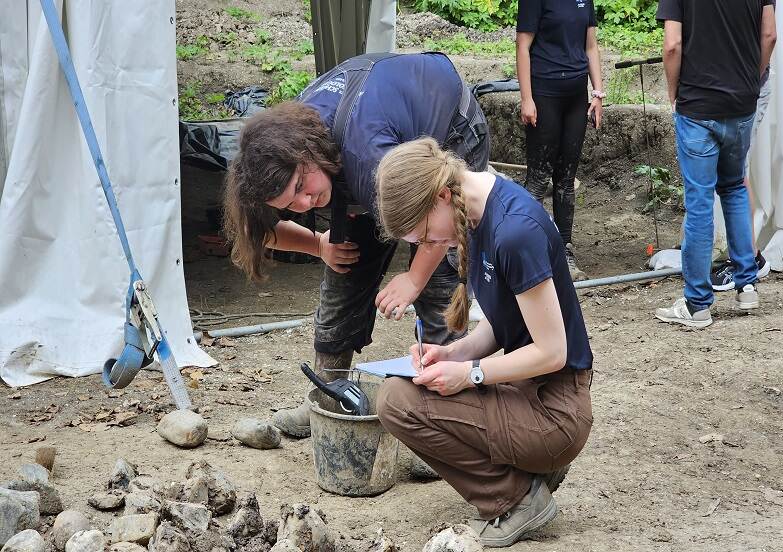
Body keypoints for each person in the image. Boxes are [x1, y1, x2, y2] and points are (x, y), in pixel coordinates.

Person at [223, 53, 490, 437]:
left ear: (309, 155)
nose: (303, 204)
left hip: (449, 135)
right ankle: (327, 398)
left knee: (439, 284)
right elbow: (261, 232)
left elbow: (435, 219)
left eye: (301, 188)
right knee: (342, 271)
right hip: (364, 161)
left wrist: (413, 279)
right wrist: (319, 244)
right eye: (288, 205)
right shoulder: (281, 153)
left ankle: (449, 415)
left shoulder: (367, 155)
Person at [374, 138, 593, 548]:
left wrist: (470, 374)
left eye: (424, 236)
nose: (429, 247)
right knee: (402, 391)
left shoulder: (513, 231)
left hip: (556, 411)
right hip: (530, 392)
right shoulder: (475, 214)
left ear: (441, 196)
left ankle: (514, 499)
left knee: (395, 402)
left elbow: (552, 352)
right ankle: (529, 476)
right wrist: (455, 352)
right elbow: (505, 320)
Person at [655, 0, 777, 328]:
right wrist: (751, 81)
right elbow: (769, 36)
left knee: (700, 203)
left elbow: (672, 45)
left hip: (697, 107)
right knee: (735, 187)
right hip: (741, 104)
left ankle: (697, 305)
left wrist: (673, 93)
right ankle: (747, 285)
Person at [515, 0, 605, 281]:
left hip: (576, 95)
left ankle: (564, 250)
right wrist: (527, 99)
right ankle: (526, 250)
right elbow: (523, 46)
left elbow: (590, 46)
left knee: (566, 179)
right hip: (544, 93)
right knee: (539, 178)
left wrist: (598, 92)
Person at [711, 3, 777, 291]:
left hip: (743, 87)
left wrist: (752, 77)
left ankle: (748, 260)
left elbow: (769, 35)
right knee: (734, 174)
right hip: (731, 86)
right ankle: (746, 258)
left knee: (736, 176)